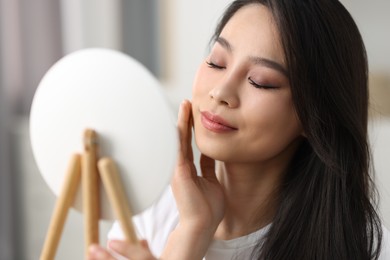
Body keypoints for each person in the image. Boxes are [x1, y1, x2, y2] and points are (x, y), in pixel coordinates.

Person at [88, 0, 390, 259]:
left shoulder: (366, 247)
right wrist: (192, 233)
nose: (221, 92)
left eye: (260, 81)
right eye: (217, 62)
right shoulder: (149, 218)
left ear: (315, 117)